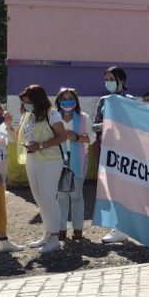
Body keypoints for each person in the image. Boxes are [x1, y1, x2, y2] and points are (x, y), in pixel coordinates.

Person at [17, 85, 69, 255]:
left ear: (37, 100)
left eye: (28, 101)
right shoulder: (29, 115)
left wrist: (40, 146)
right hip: (32, 158)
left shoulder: (52, 113)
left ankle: (55, 238)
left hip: (51, 160)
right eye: (24, 101)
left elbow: (62, 137)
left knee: (48, 198)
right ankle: (47, 234)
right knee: (39, 199)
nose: (26, 104)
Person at [93, 65, 135, 244]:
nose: (108, 82)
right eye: (106, 79)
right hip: (107, 151)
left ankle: (126, 226)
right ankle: (118, 225)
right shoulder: (104, 100)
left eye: (112, 79)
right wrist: (107, 125)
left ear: (122, 80)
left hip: (126, 151)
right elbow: (95, 125)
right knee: (111, 188)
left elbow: (136, 126)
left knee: (126, 188)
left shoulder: (131, 101)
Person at [54, 88, 95, 240]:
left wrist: (77, 138)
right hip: (59, 159)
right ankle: (61, 229)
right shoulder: (54, 117)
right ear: (59, 101)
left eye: (70, 98)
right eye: (64, 98)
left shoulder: (83, 117)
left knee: (76, 194)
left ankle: (78, 229)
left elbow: (92, 138)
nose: (67, 101)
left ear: (76, 100)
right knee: (62, 195)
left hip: (79, 159)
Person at [0, 101, 21, 254]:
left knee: (0, 209)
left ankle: (4, 240)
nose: (2, 115)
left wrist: (5, 175)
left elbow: (14, 141)